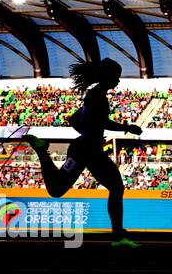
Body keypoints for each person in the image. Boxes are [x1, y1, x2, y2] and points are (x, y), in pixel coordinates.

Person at [23, 58, 142, 247]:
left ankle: (41, 149)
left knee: (57, 189)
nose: (118, 81)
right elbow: (102, 122)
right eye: (117, 77)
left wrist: (89, 134)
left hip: (82, 148)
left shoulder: (93, 95)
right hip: (90, 151)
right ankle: (118, 237)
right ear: (108, 77)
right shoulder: (98, 97)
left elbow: (74, 120)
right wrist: (127, 128)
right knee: (117, 188)